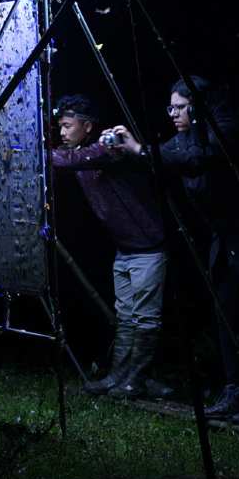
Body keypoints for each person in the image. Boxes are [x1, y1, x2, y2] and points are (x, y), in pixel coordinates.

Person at [108, 76, 239, 425]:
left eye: (180, 107)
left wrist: (141, 150)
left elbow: (196, 157)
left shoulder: (225, 130)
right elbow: (162, 159)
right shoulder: (183, 139)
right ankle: (234, 390)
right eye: (170, 107)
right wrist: (124, 149)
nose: (172, 113)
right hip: (224, 239)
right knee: (226, 313)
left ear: (198, 107)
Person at [51, 94, 172, 399]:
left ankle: (137, 378)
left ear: (87, 126)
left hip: (147, 245)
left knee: (145, 316)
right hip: (125, 247)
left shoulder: (110, 147)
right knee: (127, 315)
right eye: (60, 127)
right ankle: (121, 375)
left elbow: (75, 160)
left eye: (67, 126)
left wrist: (33, 153)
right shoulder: (82, 152)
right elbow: (71, 159)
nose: (62, 133)